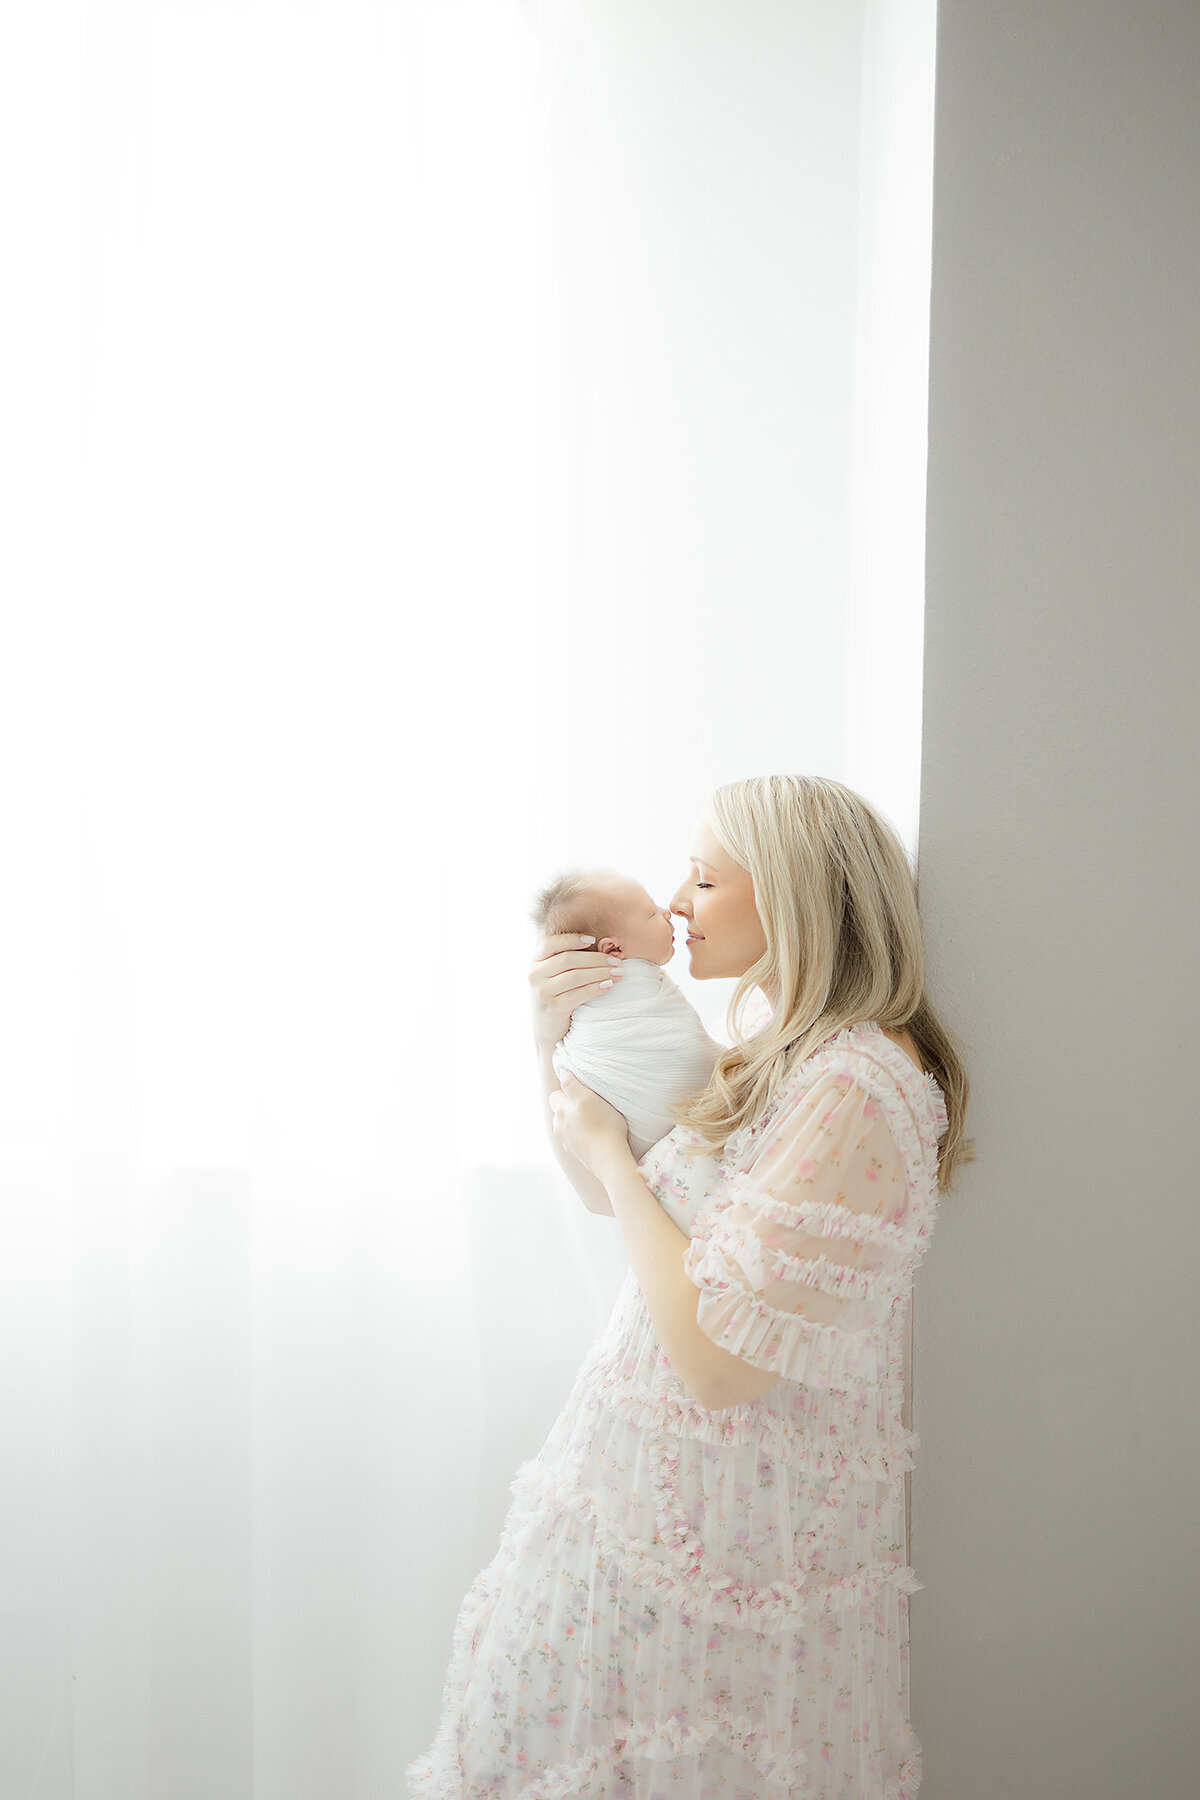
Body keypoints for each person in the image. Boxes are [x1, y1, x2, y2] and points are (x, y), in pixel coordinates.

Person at [406, 773, 974, 1800]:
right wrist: (555, 1039)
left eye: (706, 879)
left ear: (796, 895)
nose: (674, 902)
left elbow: (718, 1364)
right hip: (657, 1513)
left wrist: (615, 1161)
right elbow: (600, 1188)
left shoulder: (853, 1084)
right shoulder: (782, 1060)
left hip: (722, 1546)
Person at [528, 865, 724, 1160]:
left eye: (706, 882)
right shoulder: (619, 984)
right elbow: (692, 1063)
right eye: (650, 913)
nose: (668, 911)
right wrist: (545, 1041)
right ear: (613, 950)